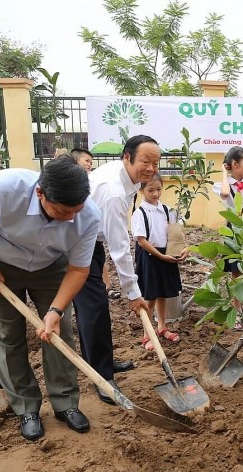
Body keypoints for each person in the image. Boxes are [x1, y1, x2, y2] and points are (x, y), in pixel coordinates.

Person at [0, 155, 101, 441]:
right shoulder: (2, 189)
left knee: (59, 333)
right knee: (8, 336)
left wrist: (56, 310)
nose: (71, 218)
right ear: (40, 192)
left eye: (76, 210)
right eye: (63, 211)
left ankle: (65, 404)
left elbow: (78, 269)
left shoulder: (87, 216)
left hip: (51, 267)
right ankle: (26, 407)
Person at [73, 135, 160, 404]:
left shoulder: (128, 179)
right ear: (127, 157)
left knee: (95, 306)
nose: (151, 168)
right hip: (76, 242)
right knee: (94, 307)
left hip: (91, 238)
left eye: (155, 162)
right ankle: (102, 376)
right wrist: (133, 294)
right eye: (145, 161)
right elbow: (120, 248)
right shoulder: (114, 192)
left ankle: (104, 363)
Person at [131, 174, 187, 350]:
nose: (155, 194)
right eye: (150, 190)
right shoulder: (140, 213)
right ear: (141, 190)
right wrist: (160, 256)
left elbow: (175, 231)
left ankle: (162, 327)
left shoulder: (166, 209)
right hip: (150, 257)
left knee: (163, 294)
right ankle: (147, 334)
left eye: (158, 189)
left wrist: (183, 248)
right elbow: (142, 241)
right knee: (150, 297)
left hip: (166, 254)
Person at [213, 146, 243, 330]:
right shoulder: (223, 185)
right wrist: (225, 173)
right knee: (236, 273)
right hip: (234, 230)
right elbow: (225, 194)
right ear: (234, 164)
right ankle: (237, 311)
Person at [71, 147, 120, 300]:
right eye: (86, 161)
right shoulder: (70, 183)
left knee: (98, 259)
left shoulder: (94, 180)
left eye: (91, 162)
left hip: (94, 234)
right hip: (75, 235)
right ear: (75, 161)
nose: (89, 164)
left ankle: (106, 286)